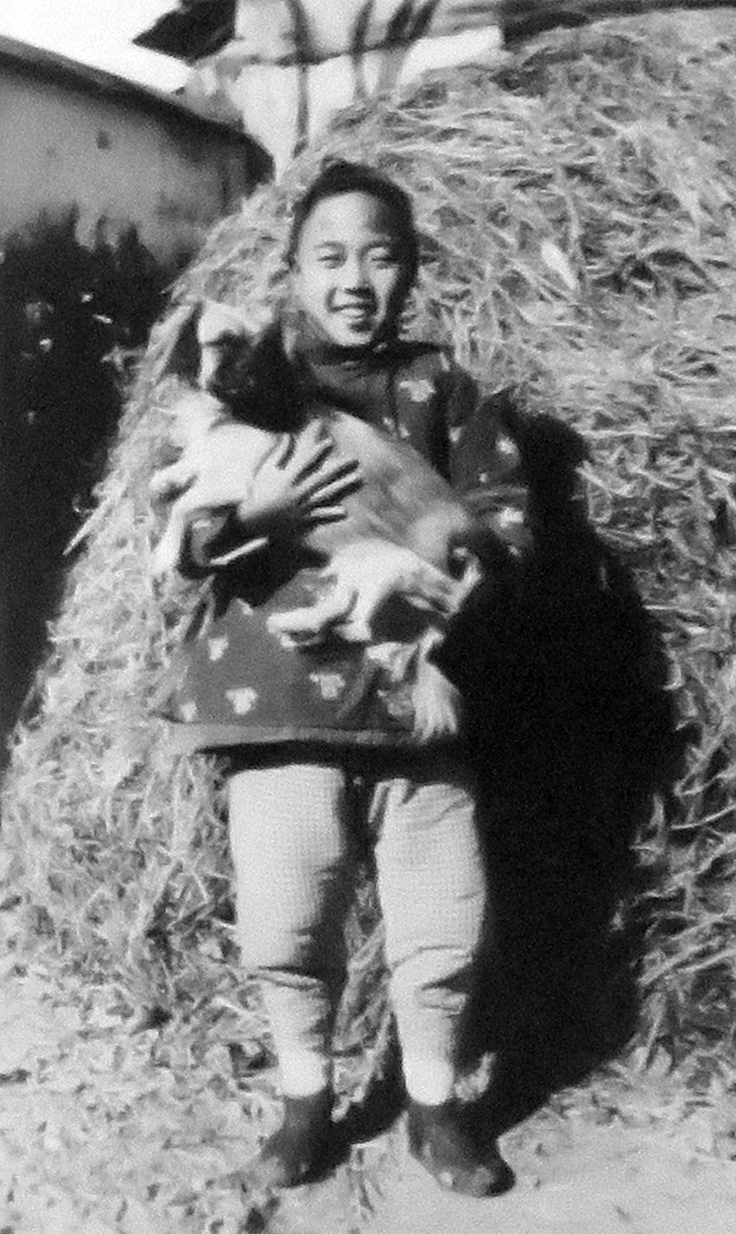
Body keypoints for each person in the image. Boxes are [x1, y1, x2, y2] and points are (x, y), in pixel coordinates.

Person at [154, 160, 517, 1197]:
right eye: (330, 258)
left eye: (380, 257)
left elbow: (500, 517)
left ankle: (436, 1107)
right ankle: (306, 1100)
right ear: (293, 272)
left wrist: (464, 578)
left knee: (443, 920)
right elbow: (177, 535)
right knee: (286, 916)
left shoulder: (443, 391)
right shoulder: (247, 387)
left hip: (416, 702)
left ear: (411, 272)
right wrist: (258, 515)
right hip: (279, 699)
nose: (355, 280)